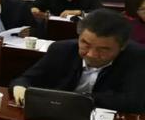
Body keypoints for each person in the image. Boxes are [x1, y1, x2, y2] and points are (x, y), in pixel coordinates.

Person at [10, 9, 145, 113]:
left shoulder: (137, 57)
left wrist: (79, 98)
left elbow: (134, 102)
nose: (91, 54)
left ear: (122, 46)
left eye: (103, 49)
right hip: (58, 116)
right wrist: (20, 87)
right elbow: (25, 79)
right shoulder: (61, 49)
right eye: (85, 44)